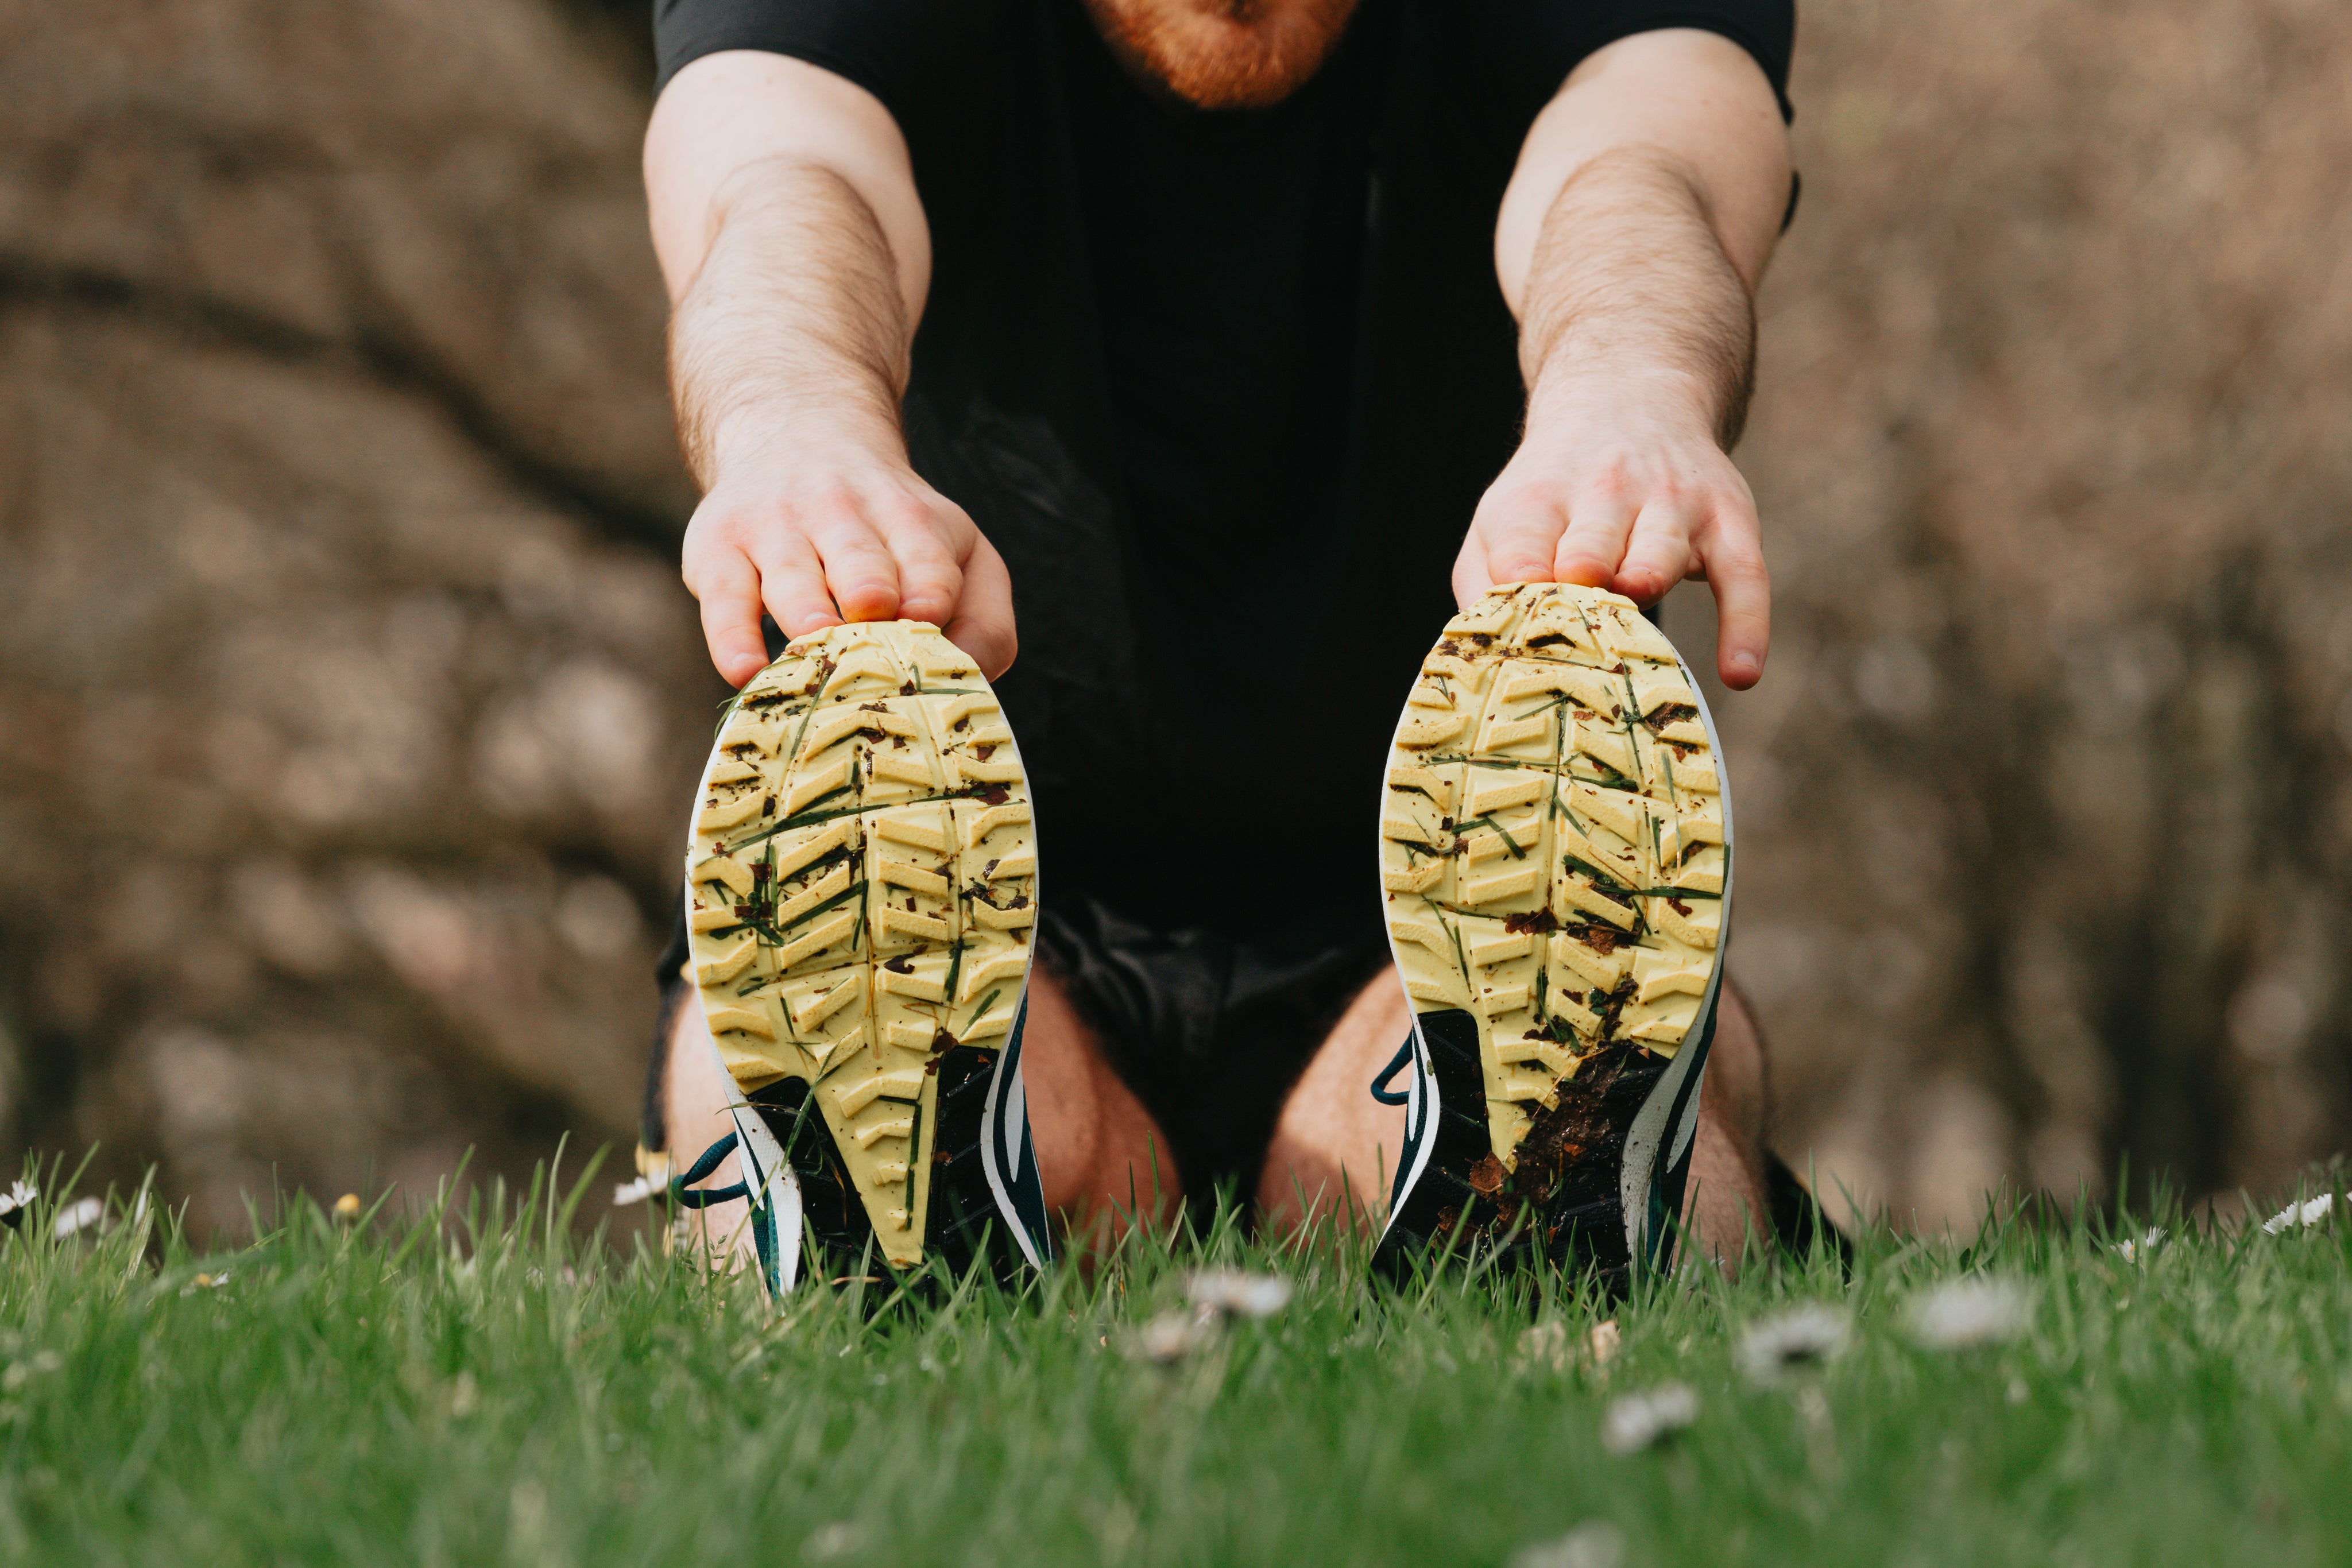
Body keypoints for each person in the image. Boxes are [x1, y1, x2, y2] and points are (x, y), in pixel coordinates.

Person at [638, 0, 1803, 1276]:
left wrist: (1624, 392)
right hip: (965, 885)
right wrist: (797, 422)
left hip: (1472, 882)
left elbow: (1651, 156)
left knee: (1643, 1116)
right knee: (761, 1075)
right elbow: (779, 172)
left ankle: (1577, 1195)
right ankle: (880, 1222)